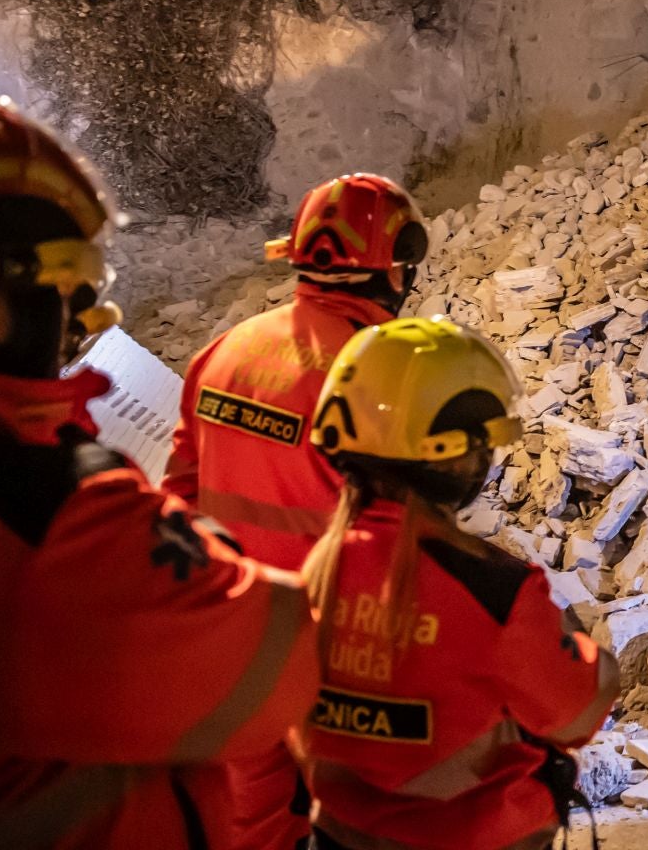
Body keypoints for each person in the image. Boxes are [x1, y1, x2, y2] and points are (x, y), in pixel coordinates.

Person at [0, 90, 319, 847]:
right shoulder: (43, 510)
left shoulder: (223, 353)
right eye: (71, 287)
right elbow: (279, 665)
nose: (89, 320)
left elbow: (188, 470)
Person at [165, 173, 429, 846]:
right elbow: (407, 531)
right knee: (365, 821)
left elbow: (178, 499)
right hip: (339, 649)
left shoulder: (223, 352)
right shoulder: (381, 372)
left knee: (255, 821)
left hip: (236, 638)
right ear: (394, 267)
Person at [295, 317, 620, 850]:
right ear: (457, 454)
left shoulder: (317, 568)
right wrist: (581, 646)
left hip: (337, 834)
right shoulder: (493, 591)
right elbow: (574, 714)